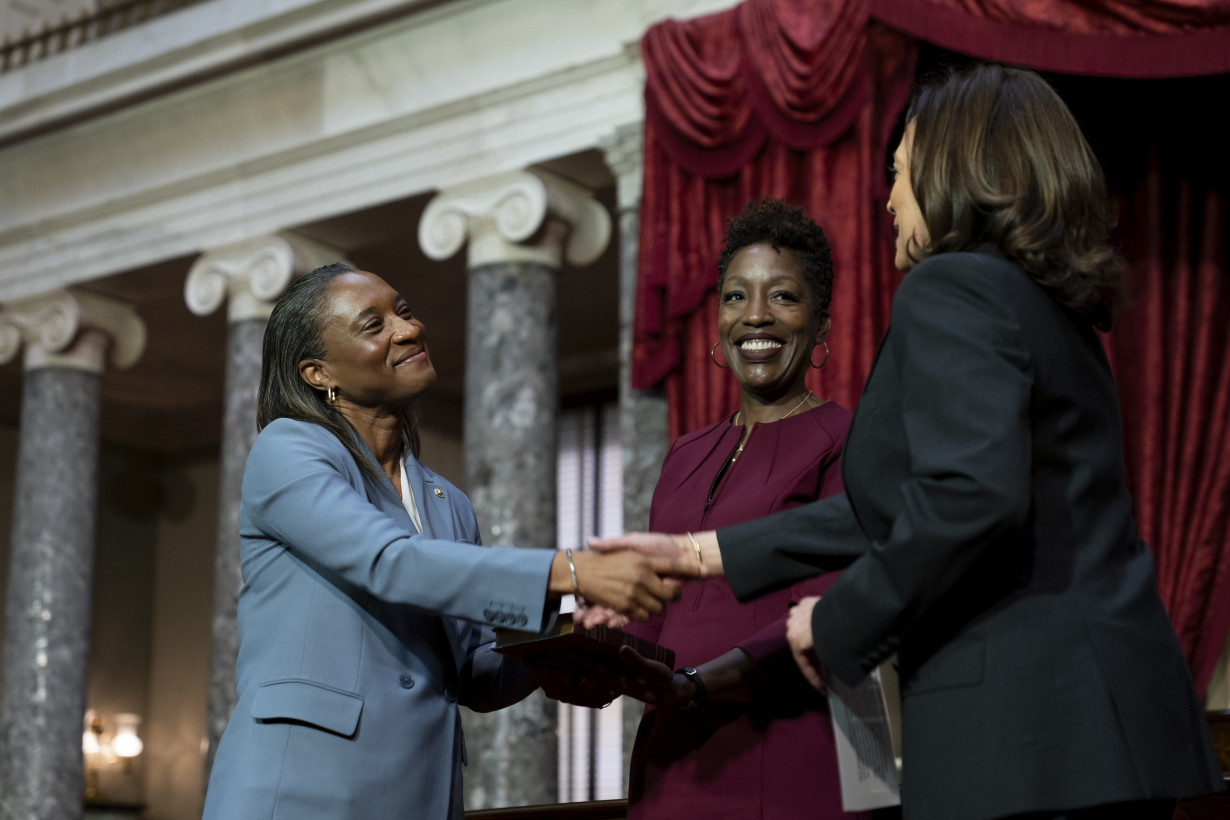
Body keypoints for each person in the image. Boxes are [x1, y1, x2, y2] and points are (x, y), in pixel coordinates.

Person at [594, 65, 1223, 820]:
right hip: (1103, 726)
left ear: (952, 168)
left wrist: (835, 619)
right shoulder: (1052, 307)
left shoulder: (951, 284)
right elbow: (914, 503)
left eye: (898, 173)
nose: (888, 198)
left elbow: (970, 498)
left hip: (1030, 733)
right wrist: (700, 553)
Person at [200, 263, 682, 820]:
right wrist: (570, 570)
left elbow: (474, 673)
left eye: (403, 312)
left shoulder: (447, 503)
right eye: (372, 325)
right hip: (298, 790)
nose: (407, 330)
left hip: (420, 795)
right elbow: (389, 561)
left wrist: (561, 638)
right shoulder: (287, 449)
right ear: (317, 372)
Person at [558, 199, 867, 819]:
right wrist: (589, 650)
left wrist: (697, 684)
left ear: (823, 327)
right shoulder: (685, 452)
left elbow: (829, 613)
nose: (755, 315)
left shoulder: (851, 442)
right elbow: (653, 620)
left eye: (782, 296)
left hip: (784, 747)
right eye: (735, 297)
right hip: (672, 750)